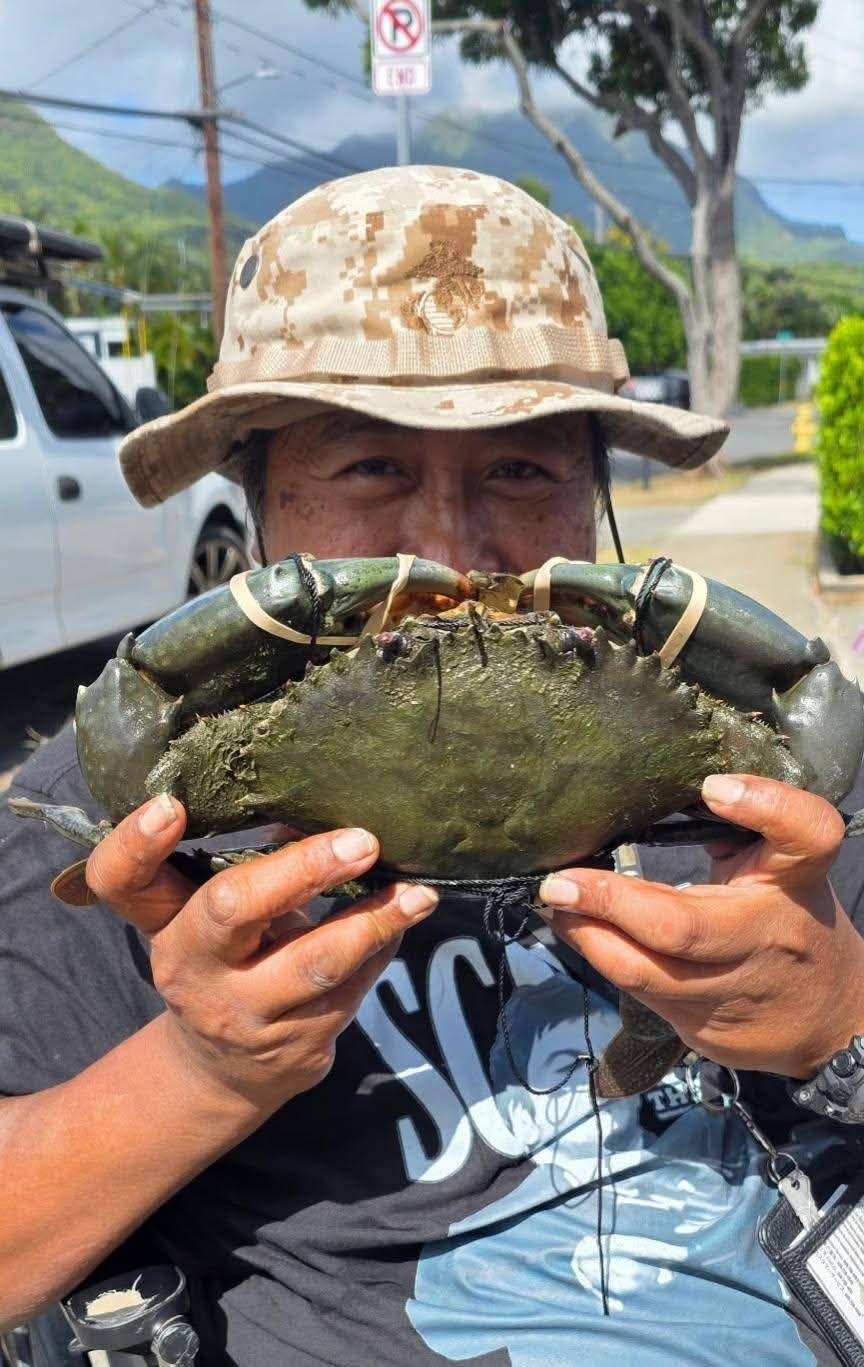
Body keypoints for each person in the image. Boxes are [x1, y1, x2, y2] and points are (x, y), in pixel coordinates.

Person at [1, 165, 863, 1367]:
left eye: (521, 469)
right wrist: (199, 1068)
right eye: (370, 469)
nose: (451, 548)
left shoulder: (757, 770)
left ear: (598, 494)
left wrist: (842, 1018)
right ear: (255, 499)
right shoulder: (143, 804)